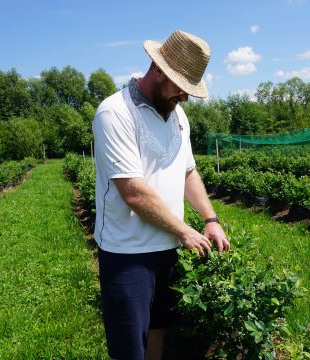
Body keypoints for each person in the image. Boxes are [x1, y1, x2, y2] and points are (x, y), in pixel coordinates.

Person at [92, 30, 230, 360]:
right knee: (130, 348)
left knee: (159, 329)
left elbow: (188, 172)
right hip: (128, 254)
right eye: (181, 87)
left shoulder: (178, 115)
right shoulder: (115, 114)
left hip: (168, 248)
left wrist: (210, 219)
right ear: (158, 70)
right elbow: (134, 193)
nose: (184, 97)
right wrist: (185, 231)